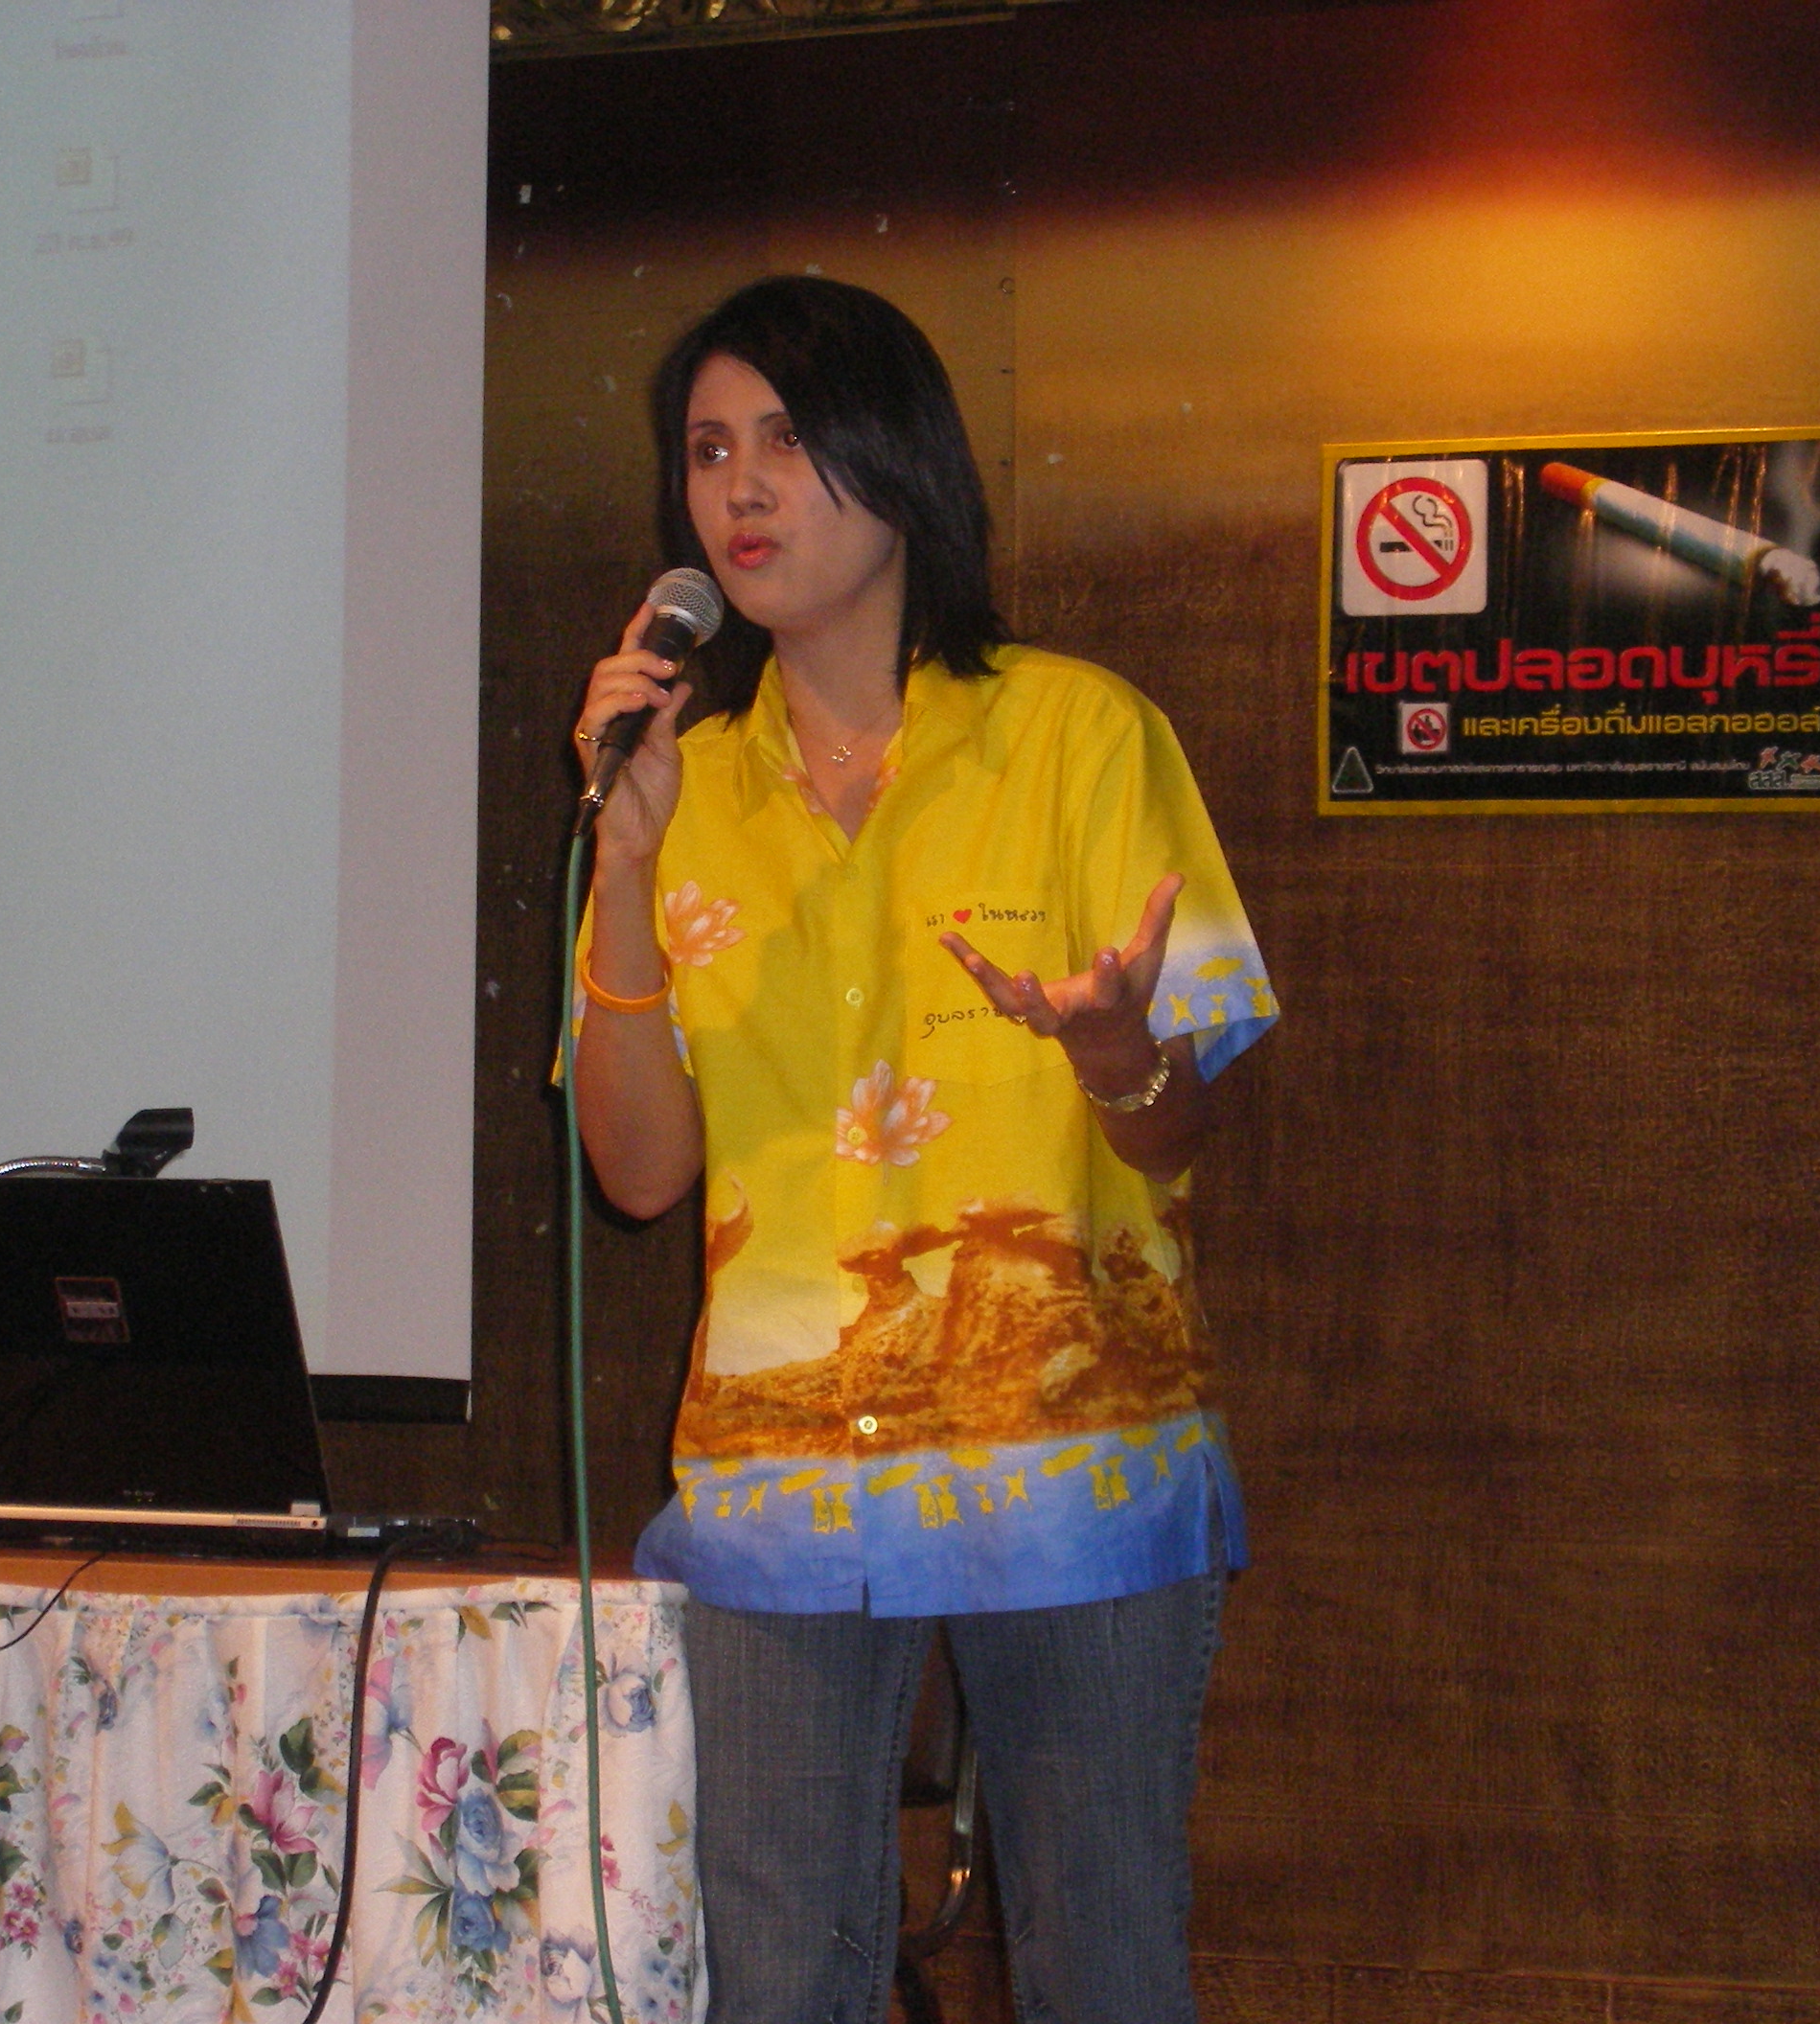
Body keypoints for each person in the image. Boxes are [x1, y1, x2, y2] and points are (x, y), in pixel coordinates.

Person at [569, 275, 1277, 2024]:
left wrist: (1113, 1053)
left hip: (1072, 1464)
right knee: (775, 1978)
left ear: (901, 462)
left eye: (787, 440)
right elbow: (638, 1174)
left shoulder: (1079, 735)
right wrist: (628, 868)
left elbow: (1180, 1128)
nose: (738, 489)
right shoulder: (678, 784)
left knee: (1101, 1958)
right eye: (708, 451)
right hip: (779, 1488)